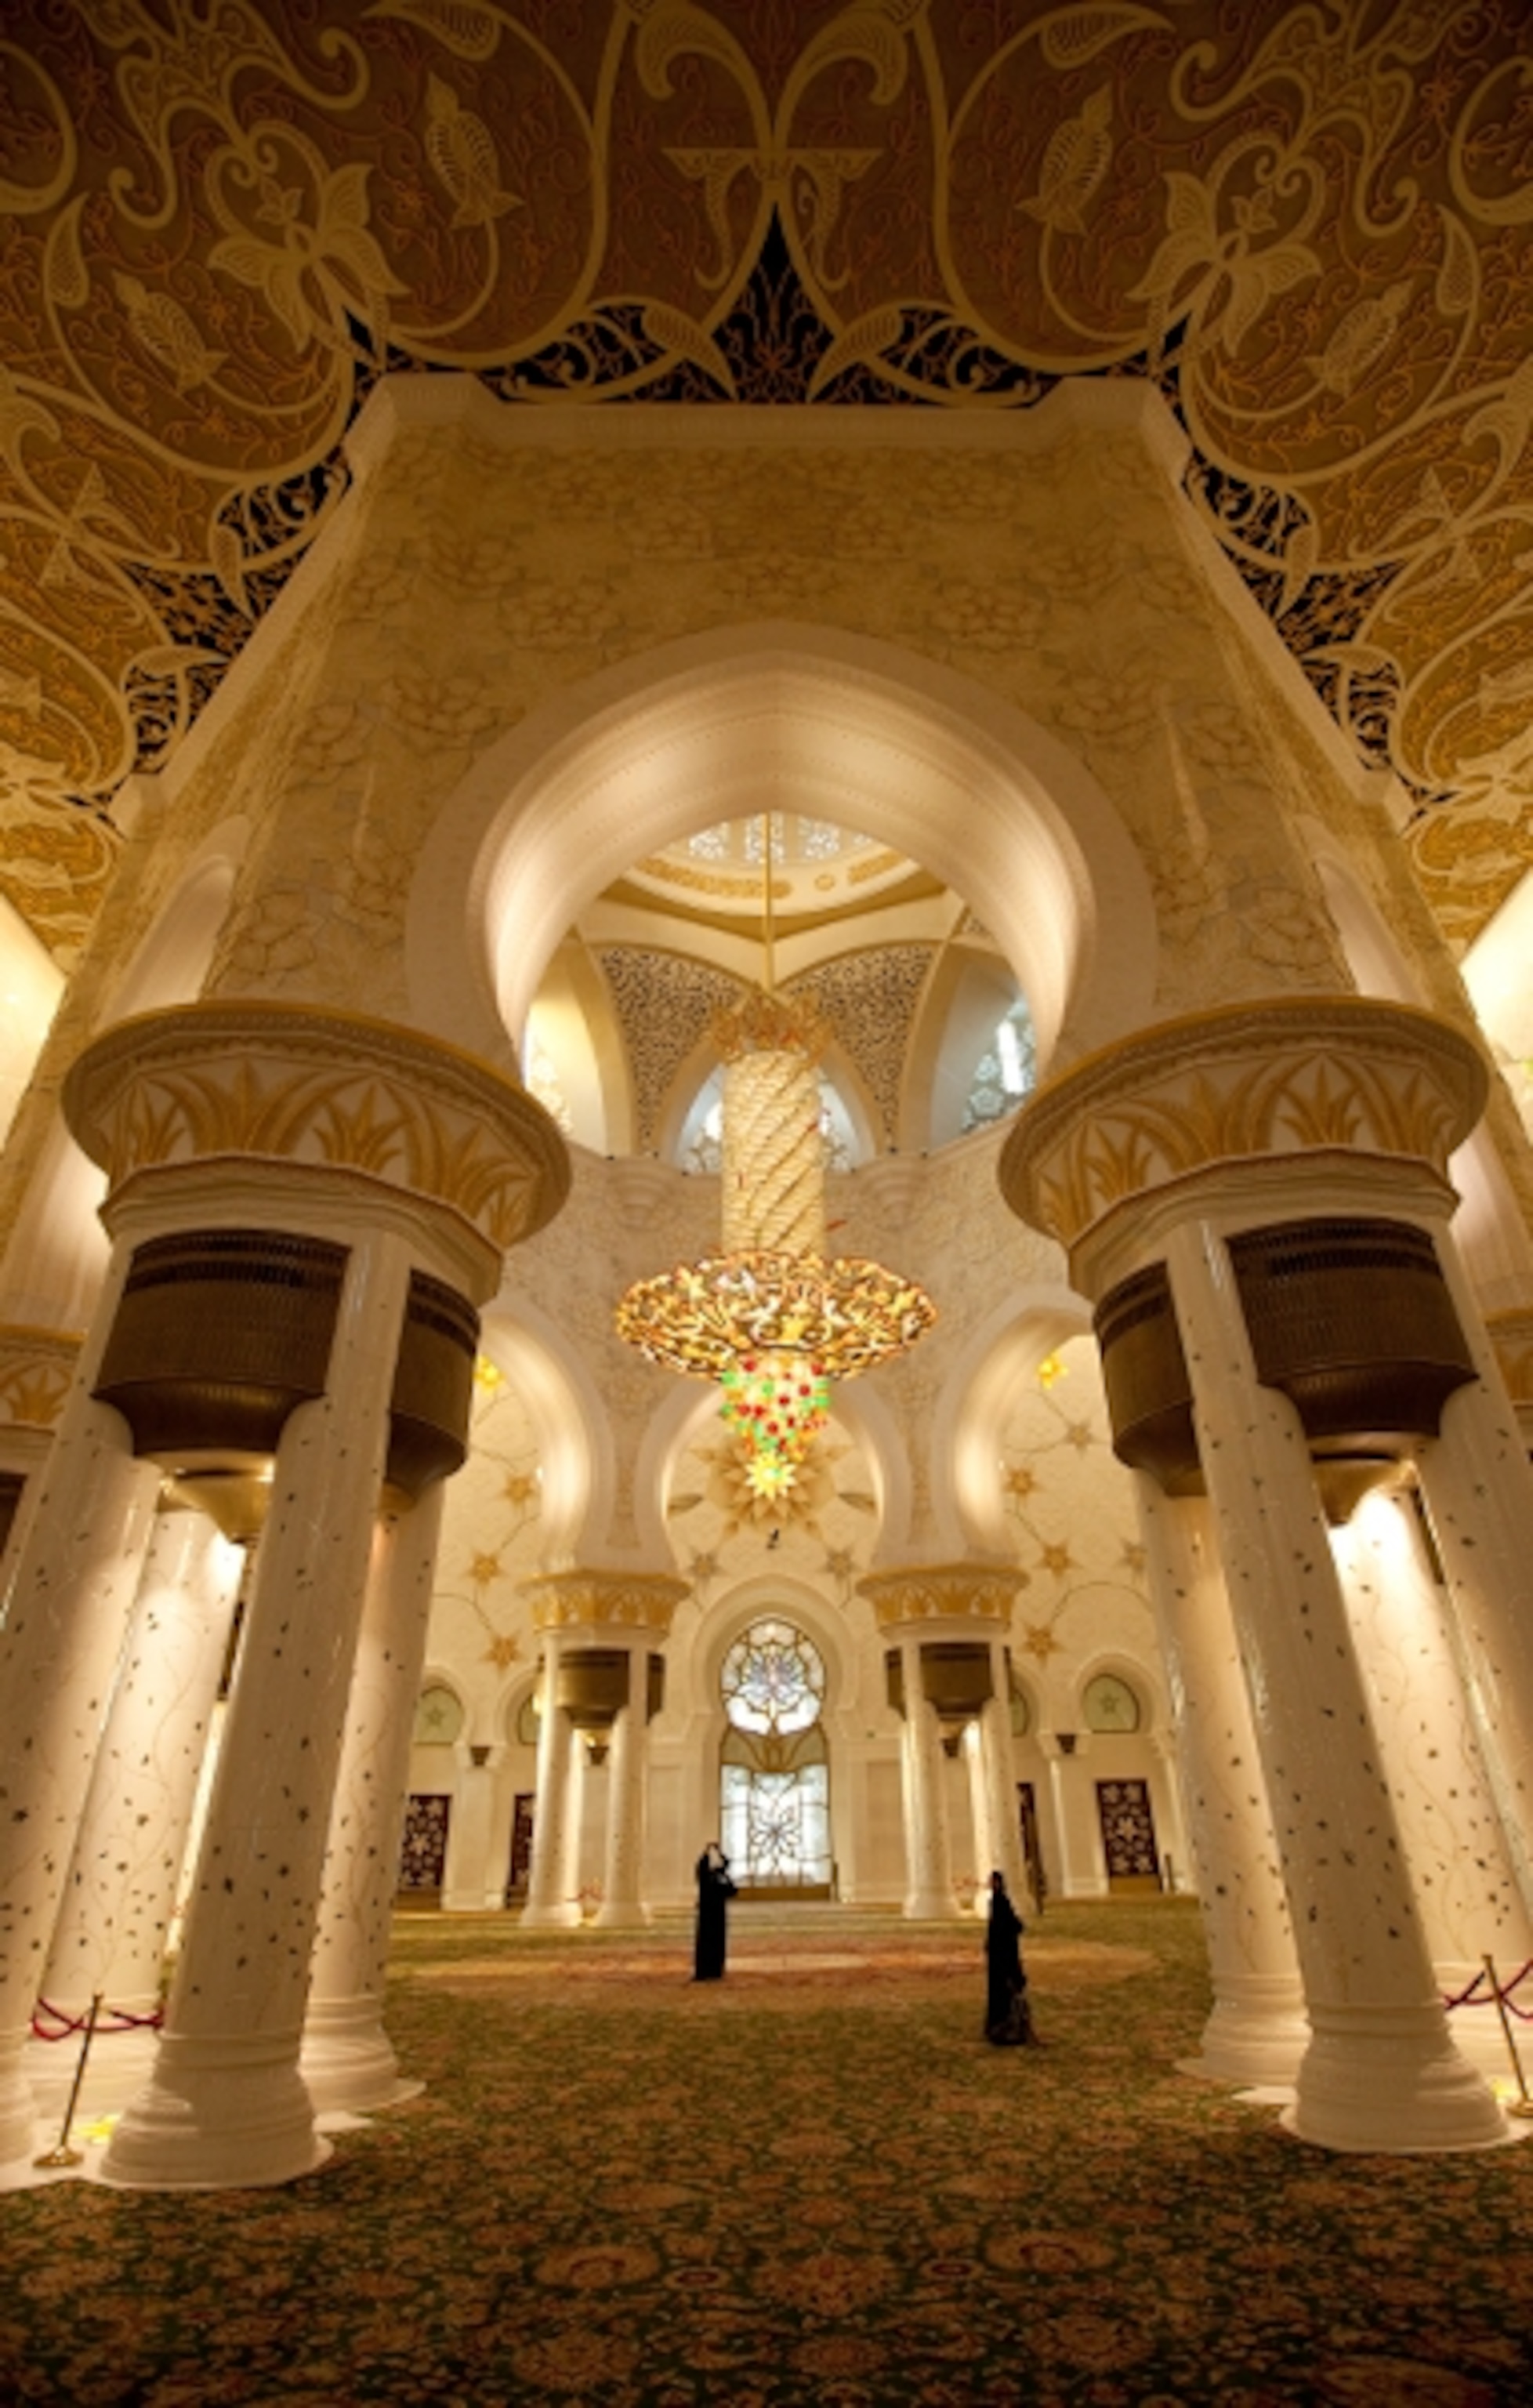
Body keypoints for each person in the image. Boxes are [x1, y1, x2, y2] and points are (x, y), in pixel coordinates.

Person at [984, 1869, 1040, 2045]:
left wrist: (994, 1946)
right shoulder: (999, 1902)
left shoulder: (1000, 1903)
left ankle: (1006, 2027)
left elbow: (1005, 1928)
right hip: (1003, 1953)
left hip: (1002, 1955)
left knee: (1004, 1990)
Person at [693, 1841, 737, 1981]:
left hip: (716, 1916)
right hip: (709, 1916)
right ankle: (707, 1971)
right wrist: (708, 1851)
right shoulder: (706, 1876)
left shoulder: (718, 1876)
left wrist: (717, 1851)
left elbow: (727, 1864)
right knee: (708, 1945)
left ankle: (715, 1971)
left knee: (716, 1945)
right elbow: (701, 1866)